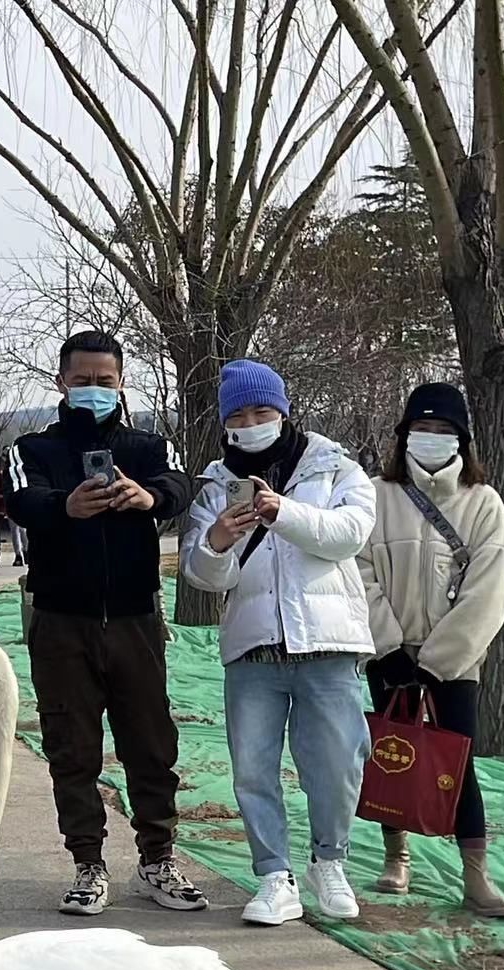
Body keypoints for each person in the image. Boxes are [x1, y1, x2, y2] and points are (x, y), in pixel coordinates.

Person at [5, 330, 199, 916]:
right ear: (62, 381)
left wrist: (150, 499)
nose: (93, 390)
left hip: (137, 616)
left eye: (105, 381)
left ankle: (157, 857)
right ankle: (88, 863)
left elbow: (181, 483)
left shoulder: (148, 445)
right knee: (72, 746)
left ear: (121, 383)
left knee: (150, 741)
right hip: (62, 620)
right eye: (83, 380)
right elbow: (19, 497)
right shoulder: (33, 447)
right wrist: (64, 506)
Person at [181, 360, 376, 927]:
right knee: (252, 768)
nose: (250, 423)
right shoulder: (216, 484)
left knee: (337, 761)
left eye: (261, 411)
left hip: (328, 641)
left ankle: (329, 862)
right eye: (237, 415)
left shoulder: (334, 467)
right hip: (253, 645)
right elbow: (202, 574)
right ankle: (273, 875)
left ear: (284, 411)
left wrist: (281, 511)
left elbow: (348, 535)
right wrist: (219, 537)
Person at [359, 383, 504, 918]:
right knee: (394, 751)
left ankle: (476, 874)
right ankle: (395, 857)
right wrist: (389, 646)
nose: (431, 439)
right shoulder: (376, 494)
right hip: (390, 653)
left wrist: (437, 661)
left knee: (459, 759)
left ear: (462, 440)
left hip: (454, 659)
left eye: (444, 430)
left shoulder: (482, 502)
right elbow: (359, 571)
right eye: (421, 429)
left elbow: (489, 590)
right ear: (404, 435)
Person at [1, 450, 27, 567]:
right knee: (18, 530)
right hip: (15, 503)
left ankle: (23, 553)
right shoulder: (14, 471)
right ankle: (21, 554)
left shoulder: (17, 471)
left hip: (18, 502)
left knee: (19, 530)